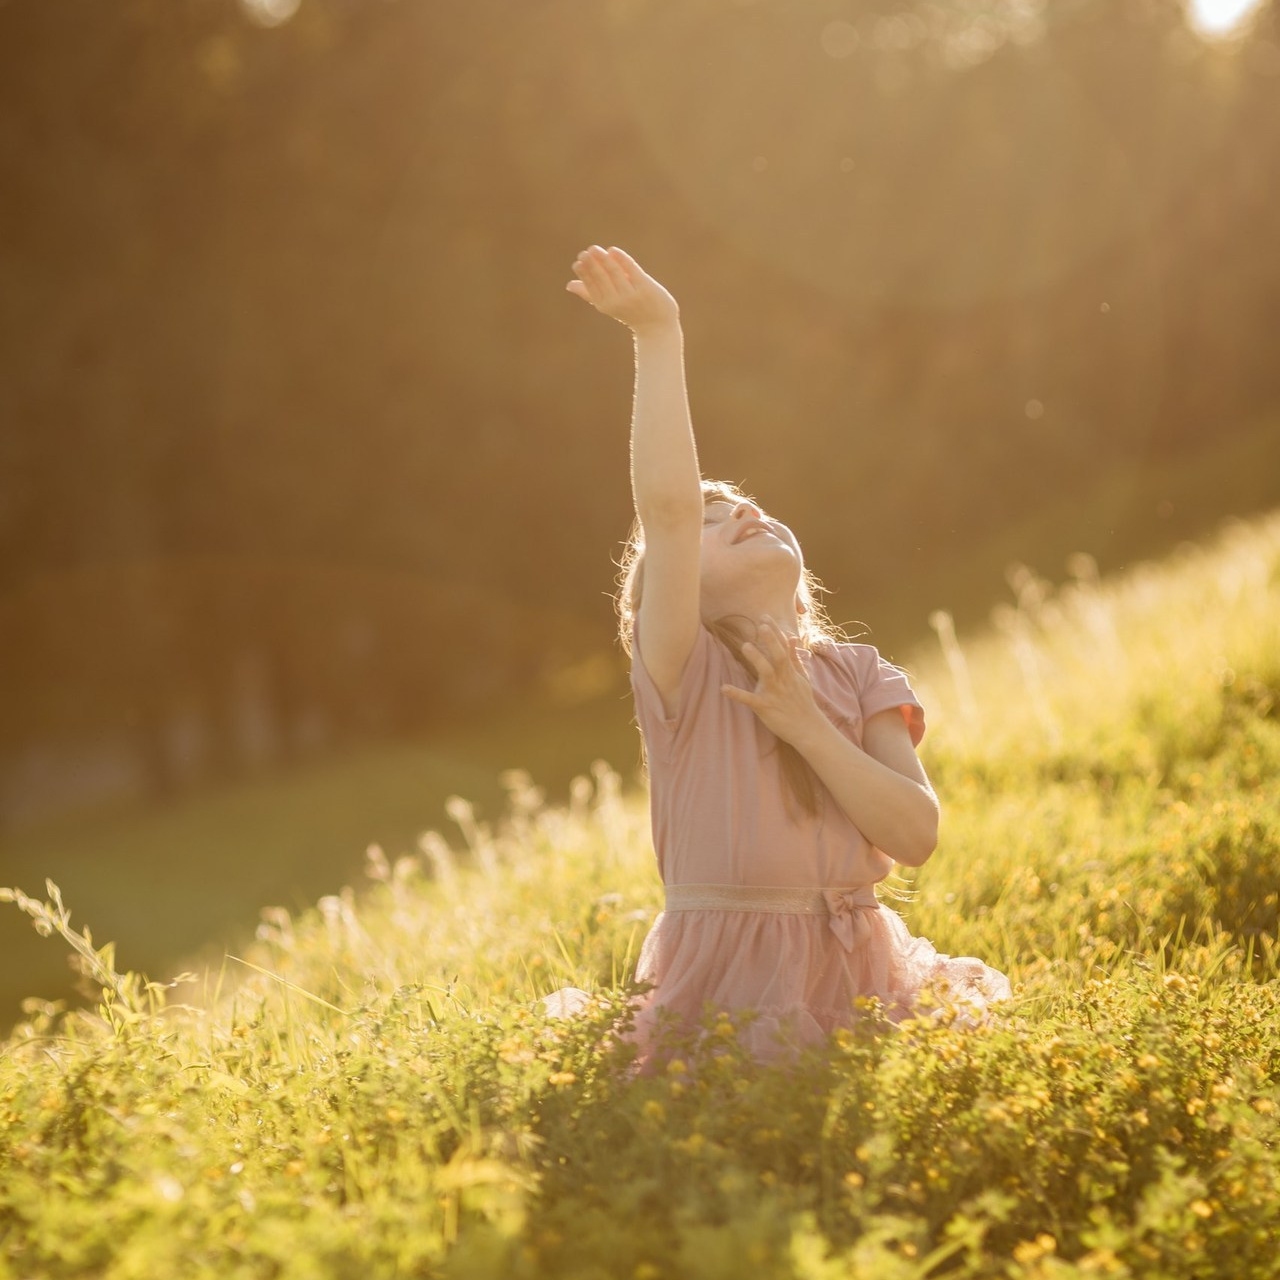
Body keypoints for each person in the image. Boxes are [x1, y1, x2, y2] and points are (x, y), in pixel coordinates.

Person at [561, 244, 1011, 1062]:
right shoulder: (686, 672)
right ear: (674, 587)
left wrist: (806, 725)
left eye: (748, 506)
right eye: (714, 518)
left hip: (858, 970)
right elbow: (666, 510)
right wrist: (658, 334)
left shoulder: (860, 674)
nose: (742, 512)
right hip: (730, 981)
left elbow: (915, 835)